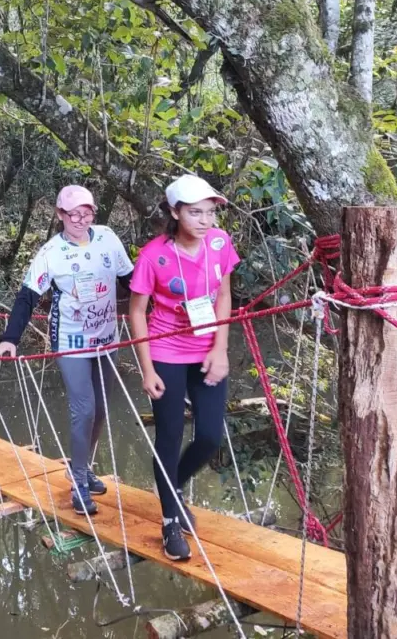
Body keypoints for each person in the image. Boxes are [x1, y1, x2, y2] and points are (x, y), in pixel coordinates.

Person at [0, 185, 133, 514]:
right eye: (73, 214)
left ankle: (82, 467)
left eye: (87, 212)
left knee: (101, 410)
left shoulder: (108, 239)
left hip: (106, 337)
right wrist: (10, 338)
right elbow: (27, 296)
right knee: (84, 408)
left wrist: (167, 300)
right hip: (71, 339)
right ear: (60, 214)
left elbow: (131, 279)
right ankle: (79, 482)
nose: (81, 219)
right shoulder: (51, 253)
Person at [128, 175, 238, 562]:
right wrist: (147, 369)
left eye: (210, 212)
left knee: (209, 436)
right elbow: (137, 312)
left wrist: (221, 349)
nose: (205, 220)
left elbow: (224, 294)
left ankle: (172, 487)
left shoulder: (220, 243)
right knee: (170, 436)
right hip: (166, 351)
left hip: (207, 349)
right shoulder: (153, 256)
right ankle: (169, 522)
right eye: (195, 213)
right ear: (175, 213)